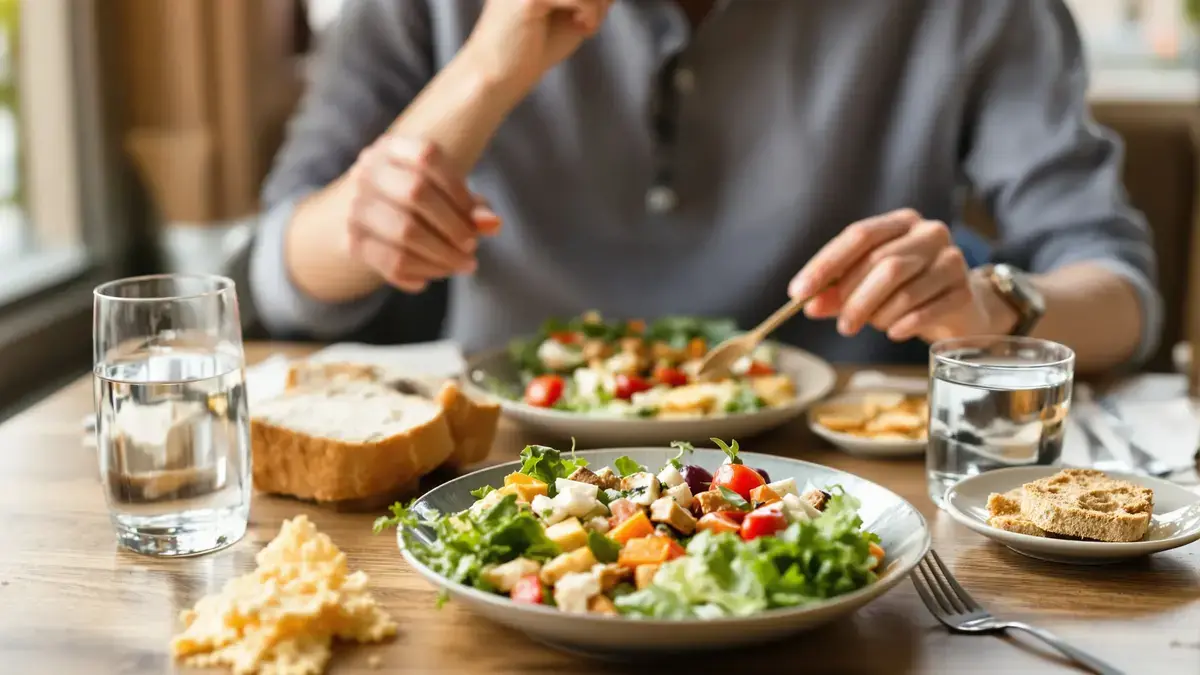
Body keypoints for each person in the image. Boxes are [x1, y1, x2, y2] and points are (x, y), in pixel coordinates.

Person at [250, 0, 1160, 374]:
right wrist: (486, 69)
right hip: (502, 469)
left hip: (839, 491)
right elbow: (281, 280)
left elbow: (1122, 292)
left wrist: (998, 302)